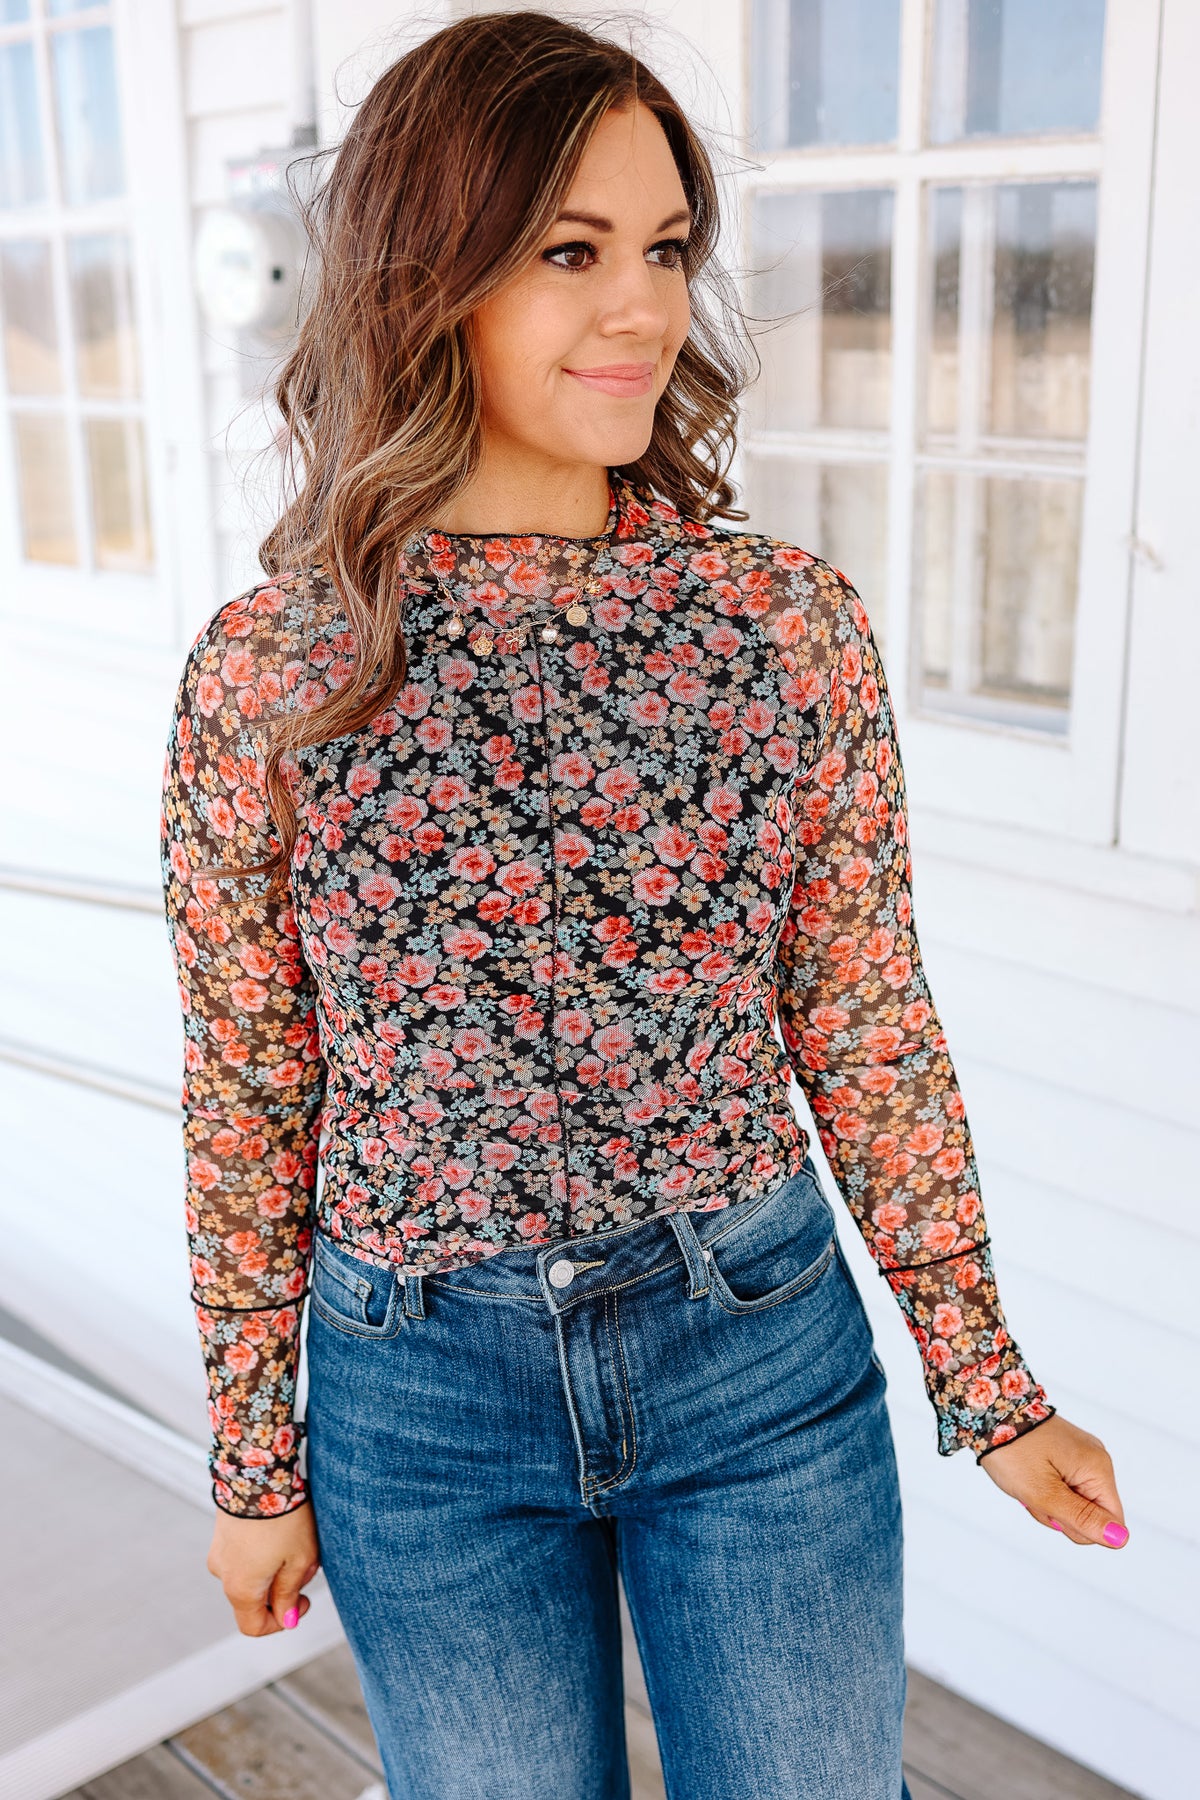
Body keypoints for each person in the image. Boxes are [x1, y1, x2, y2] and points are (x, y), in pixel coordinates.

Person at [158, 12, 1127, 1798]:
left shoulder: (781, 628)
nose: (645, 308)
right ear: (426, 274)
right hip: (416, 1402)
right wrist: (251, 1460)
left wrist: (986, 1379)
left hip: (752, 1356)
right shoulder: (272, 673)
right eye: (571, 252)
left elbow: (863, 1017)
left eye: (668, 247)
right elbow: (249, 1086)